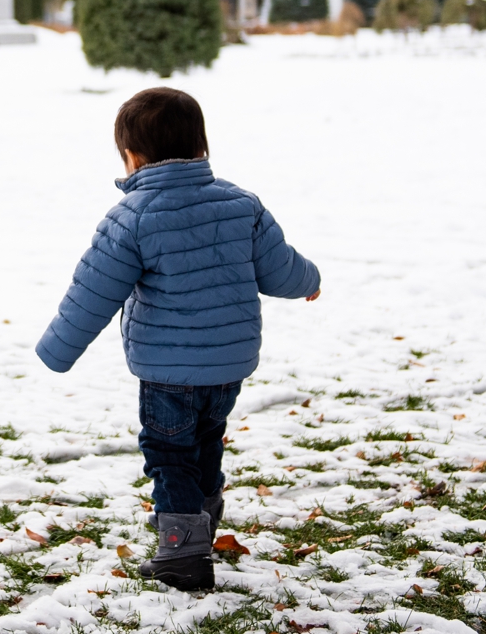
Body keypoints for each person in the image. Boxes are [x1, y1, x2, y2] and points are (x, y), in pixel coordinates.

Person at [34, 87, 320, 591]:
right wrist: (310, 280)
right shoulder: (240, 204)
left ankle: (182, 555)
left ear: (131, 155)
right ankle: (195, 527)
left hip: (166, 372)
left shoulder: (134, 216)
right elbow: (280, 271)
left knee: (170, 458)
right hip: (228, 367)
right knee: (206, 445)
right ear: (200, 146)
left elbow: (92, 292)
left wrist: (57, 350)